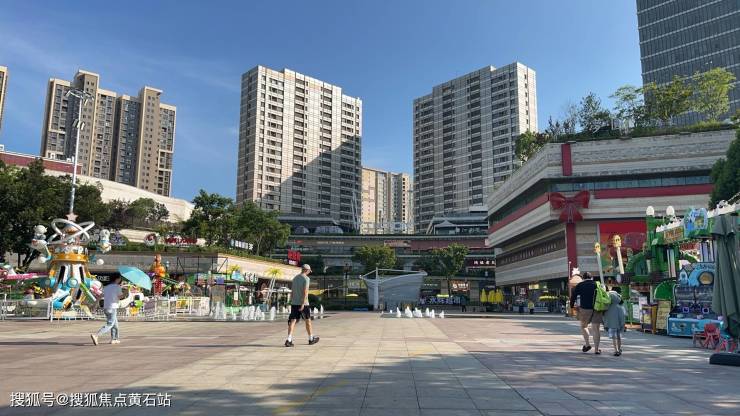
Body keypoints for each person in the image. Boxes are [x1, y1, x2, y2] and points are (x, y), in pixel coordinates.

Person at [285, 264, 319, 347]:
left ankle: (289, 340)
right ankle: (311, 339)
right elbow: (305, 292)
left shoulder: (295, 278)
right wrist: (303, 304)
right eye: (309, 271)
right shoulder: (306, 278)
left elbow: (292, 291)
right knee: (308, 321)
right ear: (306, 270)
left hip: (294, 303)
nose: (309, 272)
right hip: (303, 304)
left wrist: (291, 302)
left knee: (293, 321)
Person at [570, 272, 603, 354]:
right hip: (597, 308)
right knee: (596, 329)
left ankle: (587, 344)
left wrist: (571, 306)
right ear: (592, 277)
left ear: (583, 278)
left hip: (584, 309)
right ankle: (596, 349)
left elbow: (573, 296)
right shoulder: (597, 284)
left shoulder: (580, 285)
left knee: (584, 326)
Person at [91, 276, 126, 346]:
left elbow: (100, 296)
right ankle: (96, 335)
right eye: (120, 279)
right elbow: (120, 297)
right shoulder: (117, 287)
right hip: (112, 307)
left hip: (106, 307)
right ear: (117, 279)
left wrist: (94, 305)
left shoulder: (106, 287)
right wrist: (125, 293)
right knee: (110, 324)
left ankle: (114, 339)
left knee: (115, 324)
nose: (120, 281)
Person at [603, 287, 626, 356]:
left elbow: (604, 313)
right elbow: (624, 313)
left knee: (614, 337)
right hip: (619, 321)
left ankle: (616, 350)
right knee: (619, 336)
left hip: (611, 321)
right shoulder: (619, 301)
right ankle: (619, 349)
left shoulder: (608, 297)